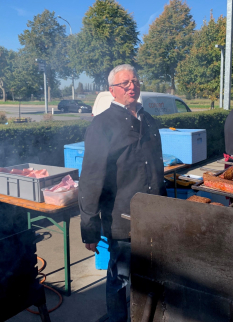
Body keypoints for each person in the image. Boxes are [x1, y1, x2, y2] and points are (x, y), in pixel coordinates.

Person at [78, 64, 166, 322]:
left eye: (135, 81)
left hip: (153, 214)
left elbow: (157, 166)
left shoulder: (148, 120)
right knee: (120, 278)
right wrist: (90, 227)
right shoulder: (101, 124)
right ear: (112, 91)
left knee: (151, 274)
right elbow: (91, 178)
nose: (132, 86)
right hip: (123, 218)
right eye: (125, 83)